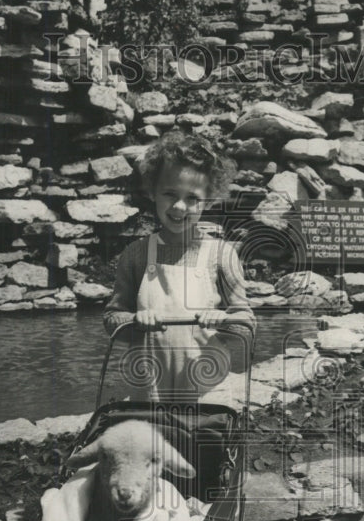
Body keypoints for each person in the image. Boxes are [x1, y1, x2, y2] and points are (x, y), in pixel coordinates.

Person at [103, 131, 254, 403]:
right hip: (149, 387)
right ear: (152, 191)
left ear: (210, 198)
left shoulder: (222, 255)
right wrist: (135, 321)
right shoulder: (135, 255)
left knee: (202, 443)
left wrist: (226, 321)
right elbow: (112, 319)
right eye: (170, 193)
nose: (179, 206)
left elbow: (247, 324)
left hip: (207, 388)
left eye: (193, 198)